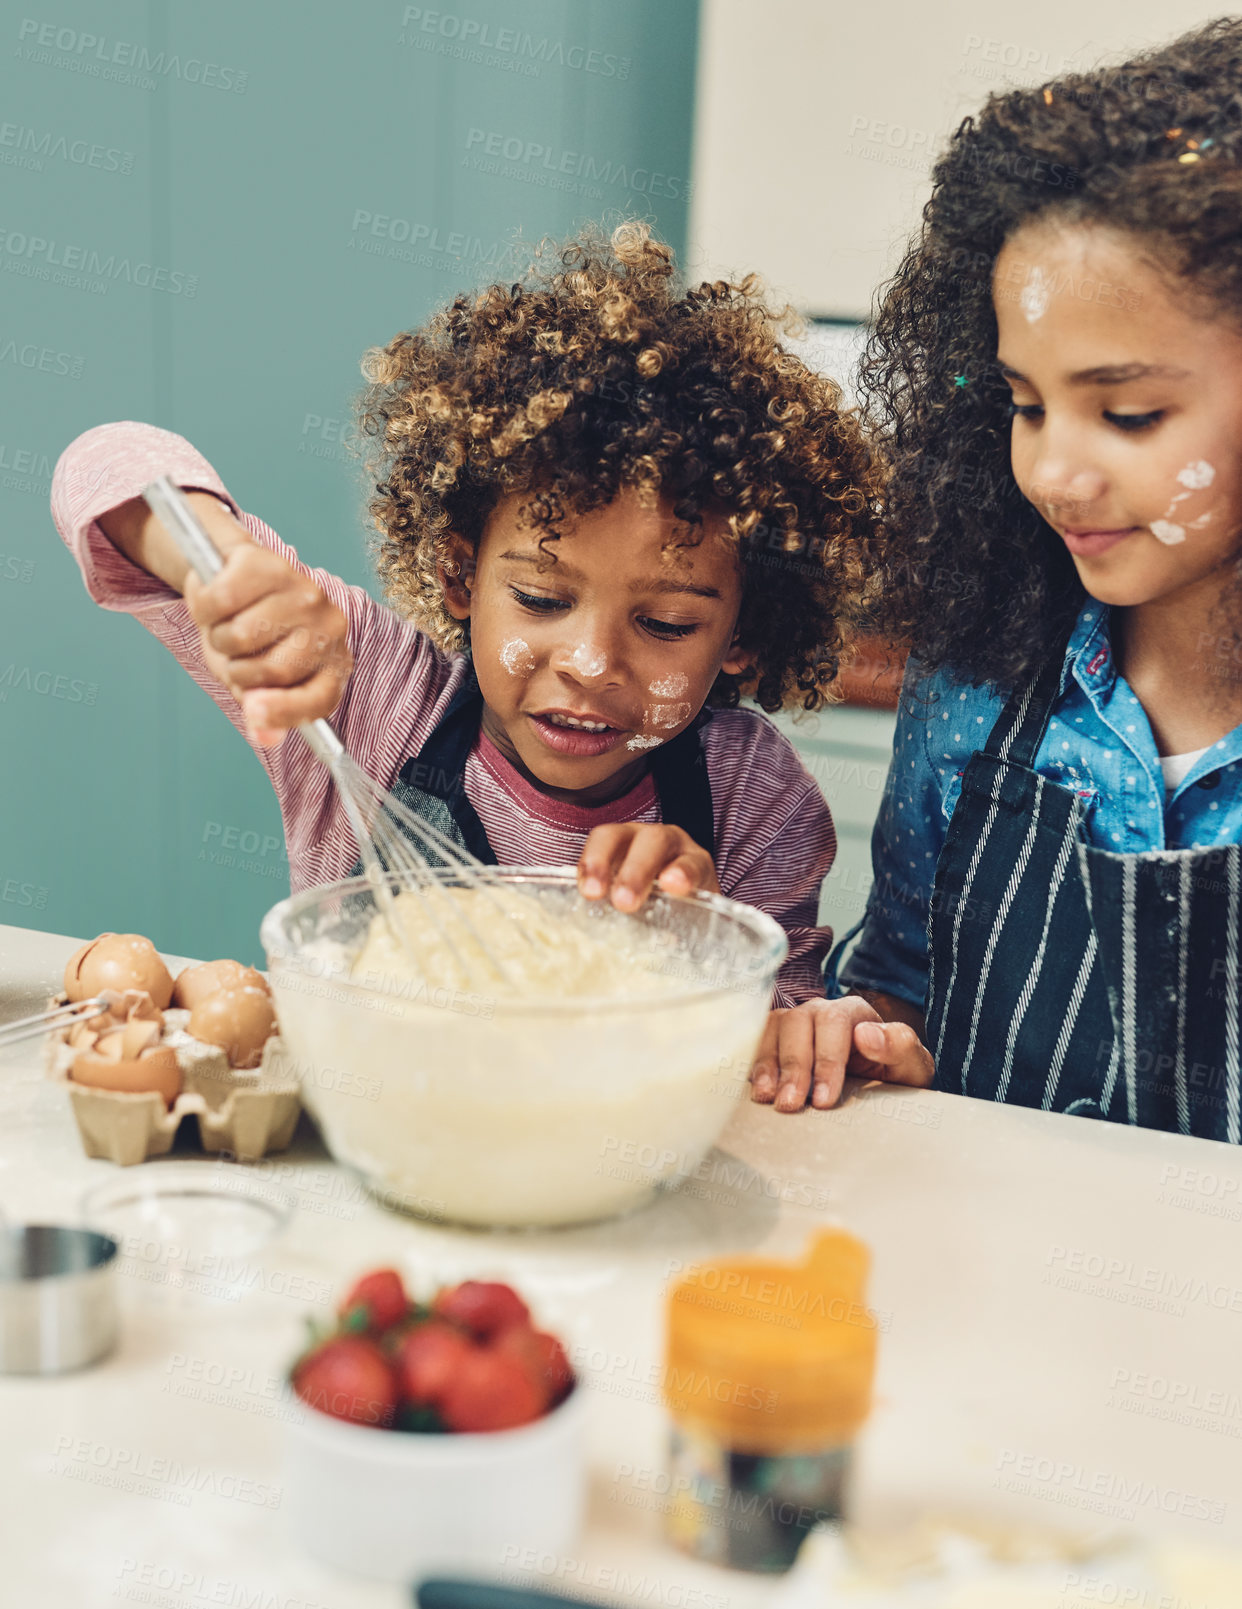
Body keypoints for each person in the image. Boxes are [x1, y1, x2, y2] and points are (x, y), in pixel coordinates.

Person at [50, 223, 879, 1006]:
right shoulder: (369, 697)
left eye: (664, 624)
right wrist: (229, 566)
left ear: (744, 633)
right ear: (459, 574)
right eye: (542, 599)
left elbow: (778, 1055)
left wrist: (703, 941)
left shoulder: (752, 798)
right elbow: (107, 462)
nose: (590, 663)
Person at [752, 19, 1242, 1130]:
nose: (1055, 470)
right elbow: (906, 991)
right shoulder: (978, 677)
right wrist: (858, 1037)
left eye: (1127, 413)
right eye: (1026, 405)